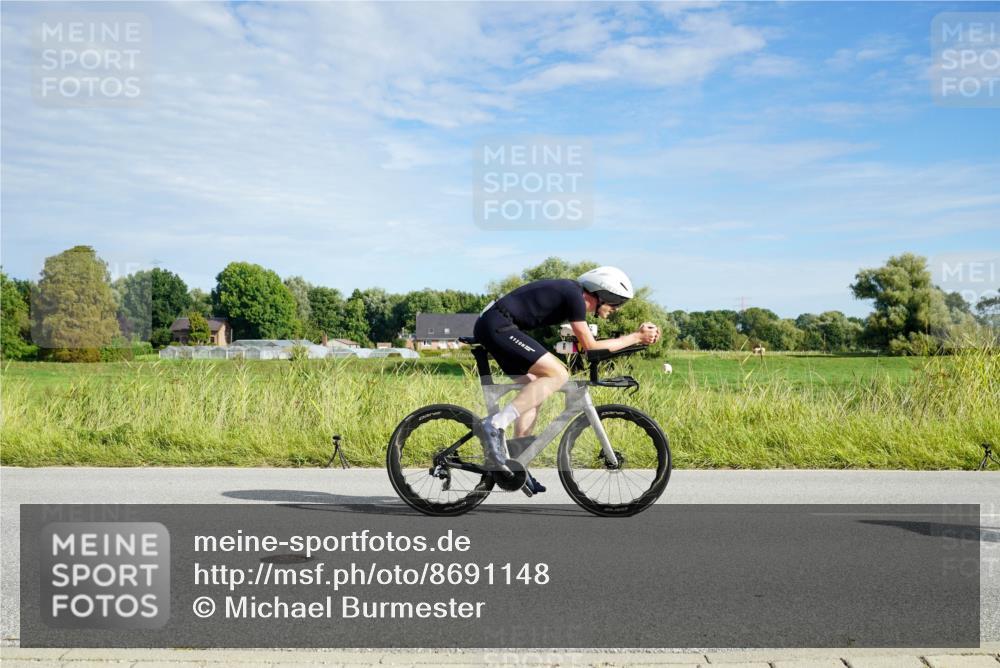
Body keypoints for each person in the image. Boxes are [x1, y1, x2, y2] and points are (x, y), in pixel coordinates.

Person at [473, 266, 661, 493]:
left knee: (536, 387)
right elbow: (592, 348)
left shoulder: (571, 295)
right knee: (559, 373)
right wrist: (636, 337)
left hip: (495, 325)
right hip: (497, 325)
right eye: (616, 303)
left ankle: (517, 464)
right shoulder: (575, 297)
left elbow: (589, 344)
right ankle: (495, 424)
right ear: (603, 294)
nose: (616, 309)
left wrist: (636, 340)